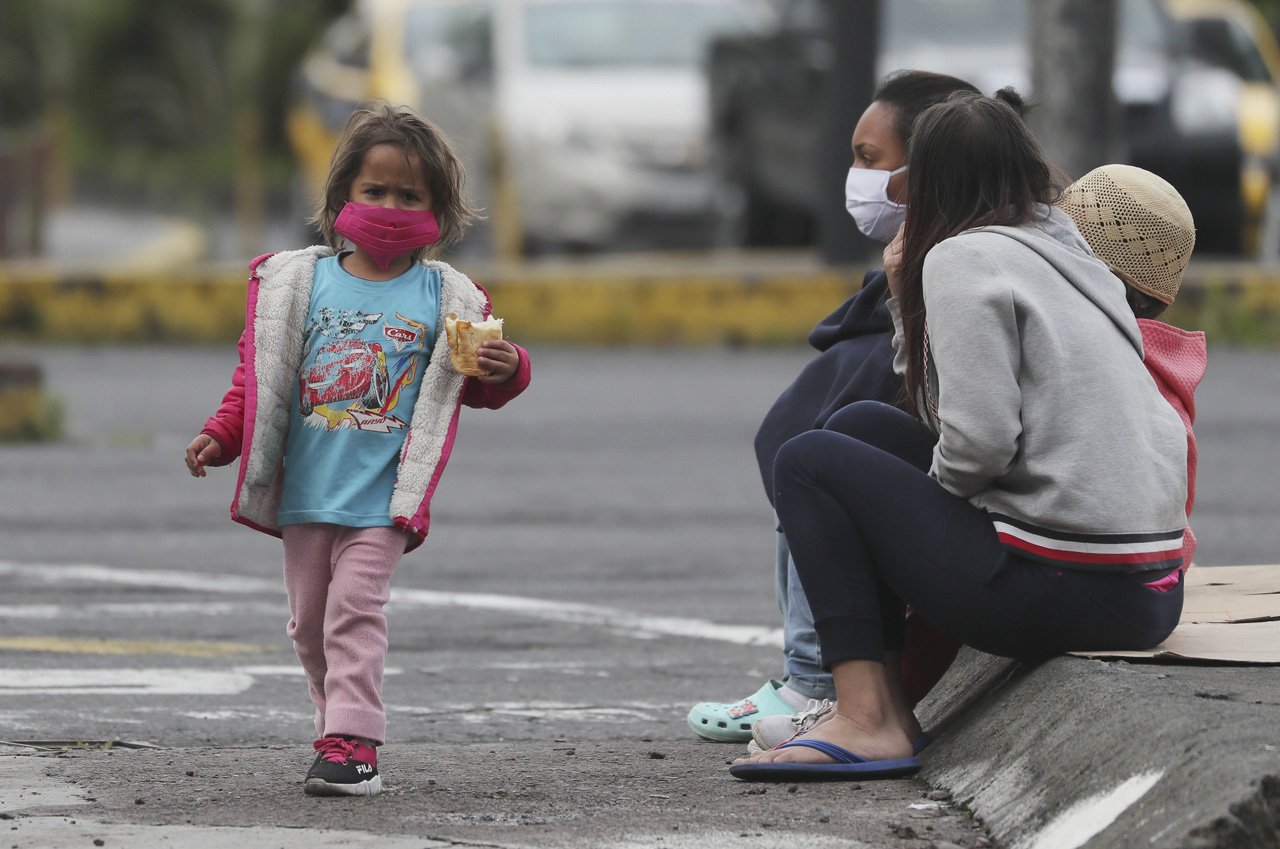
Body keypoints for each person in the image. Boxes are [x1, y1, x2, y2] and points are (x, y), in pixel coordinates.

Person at [731, 90, 1188, 781]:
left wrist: (917, 512)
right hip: (1147, 595)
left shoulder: (963, 257)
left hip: (1067, 588)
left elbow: (978, 444)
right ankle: (887, 705)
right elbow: (945, 421)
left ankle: (865, 716)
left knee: (808, 461)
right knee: (859, 428)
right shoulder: (1073, 254)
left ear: (932, 185)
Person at [184, 100, 532, 796]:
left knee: (353, 608)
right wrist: (222, 433)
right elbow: (258, 377)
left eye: (410, 195)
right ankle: (335, 730)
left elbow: (475, 385)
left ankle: (356, 743)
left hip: (383, 498)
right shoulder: (295, 285)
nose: (390, 207)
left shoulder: (448, 296)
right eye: (375, 190)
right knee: (309, 625)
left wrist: (509, 368)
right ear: (342, 193)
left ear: (439, 210)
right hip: (307, 495)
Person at [687, 70, 981, 745]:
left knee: (821, 457)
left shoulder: (962, 274)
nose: (856, 177)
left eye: (869, 159)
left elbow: (978, 438)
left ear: (927, 169)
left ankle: (817, 678)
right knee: (819, 443)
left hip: (1018, 556)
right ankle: (813, 674)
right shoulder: (922, 265)